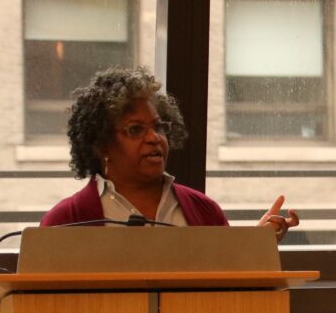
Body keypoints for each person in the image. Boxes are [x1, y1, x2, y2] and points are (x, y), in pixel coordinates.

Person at [41, 65, 299, 238]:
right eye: (135, 130)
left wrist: (258, 243)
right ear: (102, 144)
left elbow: (226, 287)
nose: (154, 138)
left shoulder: (204, 211)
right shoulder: (66, 221)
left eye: (158, 127)